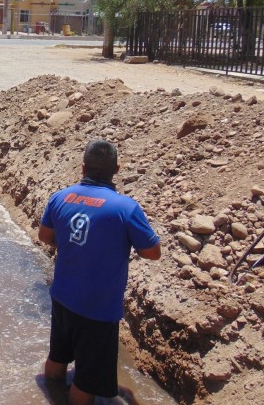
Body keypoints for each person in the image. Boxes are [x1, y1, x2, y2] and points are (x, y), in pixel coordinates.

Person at [38, 140, 161, 405]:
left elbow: (45, 235)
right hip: (98, 309)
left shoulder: (61, 197)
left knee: (57, 357)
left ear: (82, 167)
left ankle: (51, 394)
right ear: (116, 169)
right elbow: (152, 252)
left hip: (62, 296)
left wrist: (73, 246)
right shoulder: (126, 208)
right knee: (87, 382)